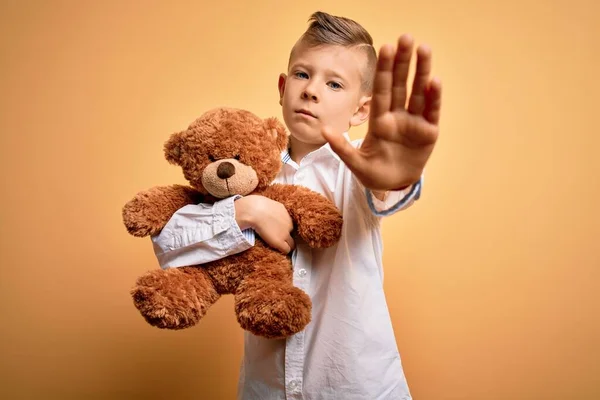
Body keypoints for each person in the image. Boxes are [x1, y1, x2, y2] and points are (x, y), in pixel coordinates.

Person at [152, 10, 441, 400]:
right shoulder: (240, 171)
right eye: (303, 75)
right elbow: (169, 245)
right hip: (265, 389)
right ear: (283, 86)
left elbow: (386, 193)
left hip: (357, 387)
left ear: (361, 110)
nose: (312, 90)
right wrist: (246, 211)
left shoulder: (360, 169)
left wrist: (394, 179)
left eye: (335, 83)